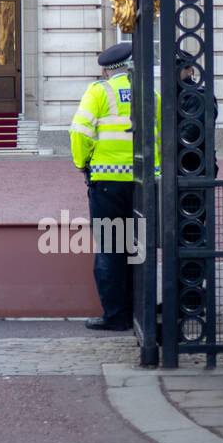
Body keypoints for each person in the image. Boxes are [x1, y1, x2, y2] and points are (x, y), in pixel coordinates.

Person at [70, 42, 139, 331]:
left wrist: (81, 163)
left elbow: (80, 132)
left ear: (105, 69)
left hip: (108, 183)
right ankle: (139, 312)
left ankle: (115, 315)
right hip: (141, 184)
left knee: (111, 249)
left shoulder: (99, 91)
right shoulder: (149, 91)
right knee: (137, 249)